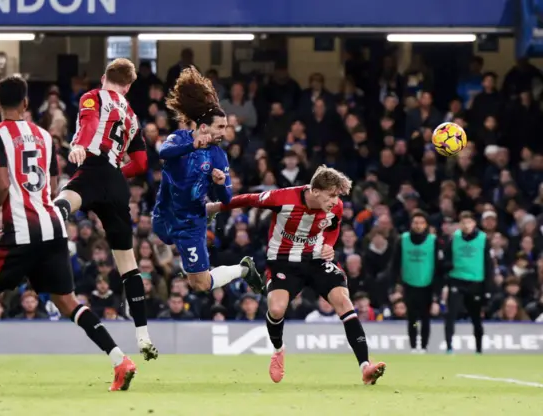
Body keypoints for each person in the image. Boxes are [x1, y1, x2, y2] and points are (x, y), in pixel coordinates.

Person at [0, 76, 136, 392]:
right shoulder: (45, 137)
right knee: (67, 302)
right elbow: (55, 182)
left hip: (20, 230)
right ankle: (120, 360)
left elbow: (3, 184)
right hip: (53, 227)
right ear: (26, 104)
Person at [207, 166, 386, 385]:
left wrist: (329, 245)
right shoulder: (283, 198)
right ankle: (278, 350)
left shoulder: (335, 207)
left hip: (317, 260)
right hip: (283, 261)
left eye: (337, 195)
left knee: (343, 301)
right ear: (315, 190)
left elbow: (333, 228)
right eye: (331, 195)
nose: (335, 200)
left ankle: (365, 366)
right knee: (276, 309)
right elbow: (248, 199)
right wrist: (214, 207)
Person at [55, 58, 157, 361]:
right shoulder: (133, 116)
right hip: (115, 180)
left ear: (103, 78)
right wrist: (115, 178)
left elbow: (87, 123)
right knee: (128, 263)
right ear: (127, 86)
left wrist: (79, 146)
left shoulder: (93, 96)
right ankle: (143, 335)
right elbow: (140, 164)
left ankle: (51, 254)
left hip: (92, 168)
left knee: (62, 204)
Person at [151, 66, 262, 294]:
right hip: (164, 214)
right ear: (203, 127)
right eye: (220, 127)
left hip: (191, 224)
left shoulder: (218, 156)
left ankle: (243, 269)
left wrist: (221, 185)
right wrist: (193, 145)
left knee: (199, 284)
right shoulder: (179, 137)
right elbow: (163, 153)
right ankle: (207, 210)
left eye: (226, 127)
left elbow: (228, 199)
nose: (224, 132)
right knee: (164, 239)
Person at [387, 210, 440, 353]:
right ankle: (412, 346)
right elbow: (395, 264)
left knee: (425, 317)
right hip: (409, 284)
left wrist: (437, 293)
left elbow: (438, 267)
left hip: (427, 284)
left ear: (426, 225)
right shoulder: (402, 239)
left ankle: (423, 346)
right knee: (412, 317)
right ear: (411, 224)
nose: (418, 226)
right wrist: (394, 286)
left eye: (421, 223)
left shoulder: (433, 241)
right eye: (415, 222)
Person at [443, 211, 492, 354]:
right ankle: (449, 347)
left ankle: (478, 349)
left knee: (476, 317)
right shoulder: (454, 238)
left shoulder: (483, 239)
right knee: (451, 314)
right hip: (457, 280)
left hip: (476, 282)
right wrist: (448, 268)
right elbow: (446, 259)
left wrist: (488, 287)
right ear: (459, 224)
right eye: (463, 222)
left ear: (474, 223)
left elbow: (488, 264)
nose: (466, 225)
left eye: (469, 222)